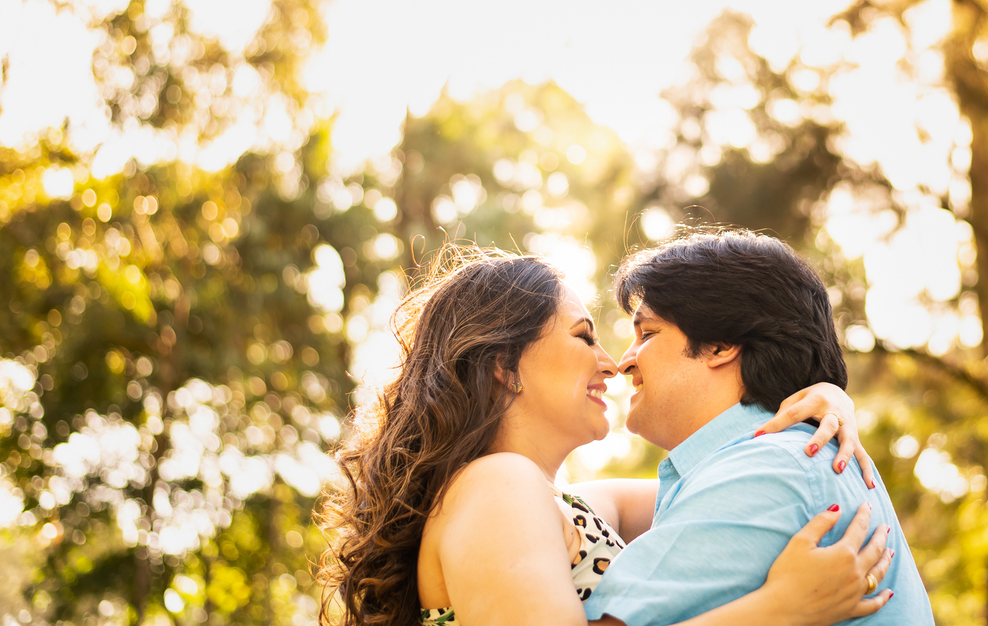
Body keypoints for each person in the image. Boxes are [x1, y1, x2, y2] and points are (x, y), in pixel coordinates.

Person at [318, 247, 894, 626]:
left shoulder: (555, 503)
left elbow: (719, 479)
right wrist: (779, 609)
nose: (612, 361)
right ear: (504, 365)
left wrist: (819, 394)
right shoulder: (498, 486)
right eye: (584, 336)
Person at [583, 229, 935, 626]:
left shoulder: (763, 472)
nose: (624, 361)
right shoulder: (787, 458)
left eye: (647, 333)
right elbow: (594, 503)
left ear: (720, 343)